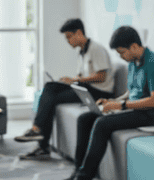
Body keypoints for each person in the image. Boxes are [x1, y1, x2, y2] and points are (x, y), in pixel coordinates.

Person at [54, 25, 154, 180]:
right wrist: (113, 101)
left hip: (152, 116)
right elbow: (132, 92)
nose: (120, 57)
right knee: (85, 118)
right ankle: (78, 173)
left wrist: (121, 105)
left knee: (102, 124)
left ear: (134, 46)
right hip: (135, 110)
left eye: (122, 52)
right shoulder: (133, 63)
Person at [14, 18, 116, 159]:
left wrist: (76, 80)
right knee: (50, 87)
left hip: (98, 93)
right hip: (85, 88)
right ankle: (37, 132)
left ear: (78, 33)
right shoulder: (82, 52)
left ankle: (41, 142)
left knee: (52, 99)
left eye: (69, 37)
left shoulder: (96, 49)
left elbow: (101, 76)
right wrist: (71, 80)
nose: (68, 41)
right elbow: (83, 75)